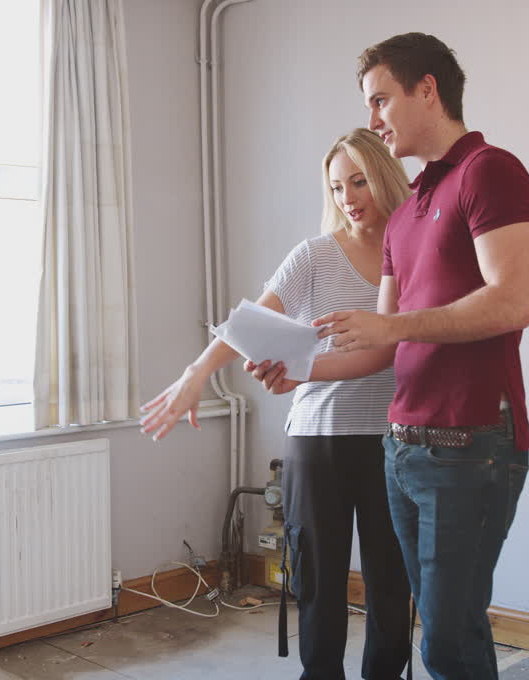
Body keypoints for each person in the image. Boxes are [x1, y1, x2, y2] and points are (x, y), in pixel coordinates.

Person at [247, 33, 529, 680]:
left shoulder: (489, 171)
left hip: (466, 439)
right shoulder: (412, 214)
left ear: (427, 90)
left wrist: (389, 327)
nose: (373, 117)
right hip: (404, 444)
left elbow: (513, 301)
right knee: (432, 631)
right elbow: (379, 337)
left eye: (381, 100)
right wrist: (297, 367)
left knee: (443, 639)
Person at [140, 128, 414, 680]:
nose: (349, 198)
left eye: (359, 181)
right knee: (318, 578)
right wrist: (196, 374)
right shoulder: (313, 255)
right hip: (318, 441)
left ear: (385, 175)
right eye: (337, 188)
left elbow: (397, 350)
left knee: (391, 581)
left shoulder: (412, 255)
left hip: (393, 439)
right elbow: (247, 327)